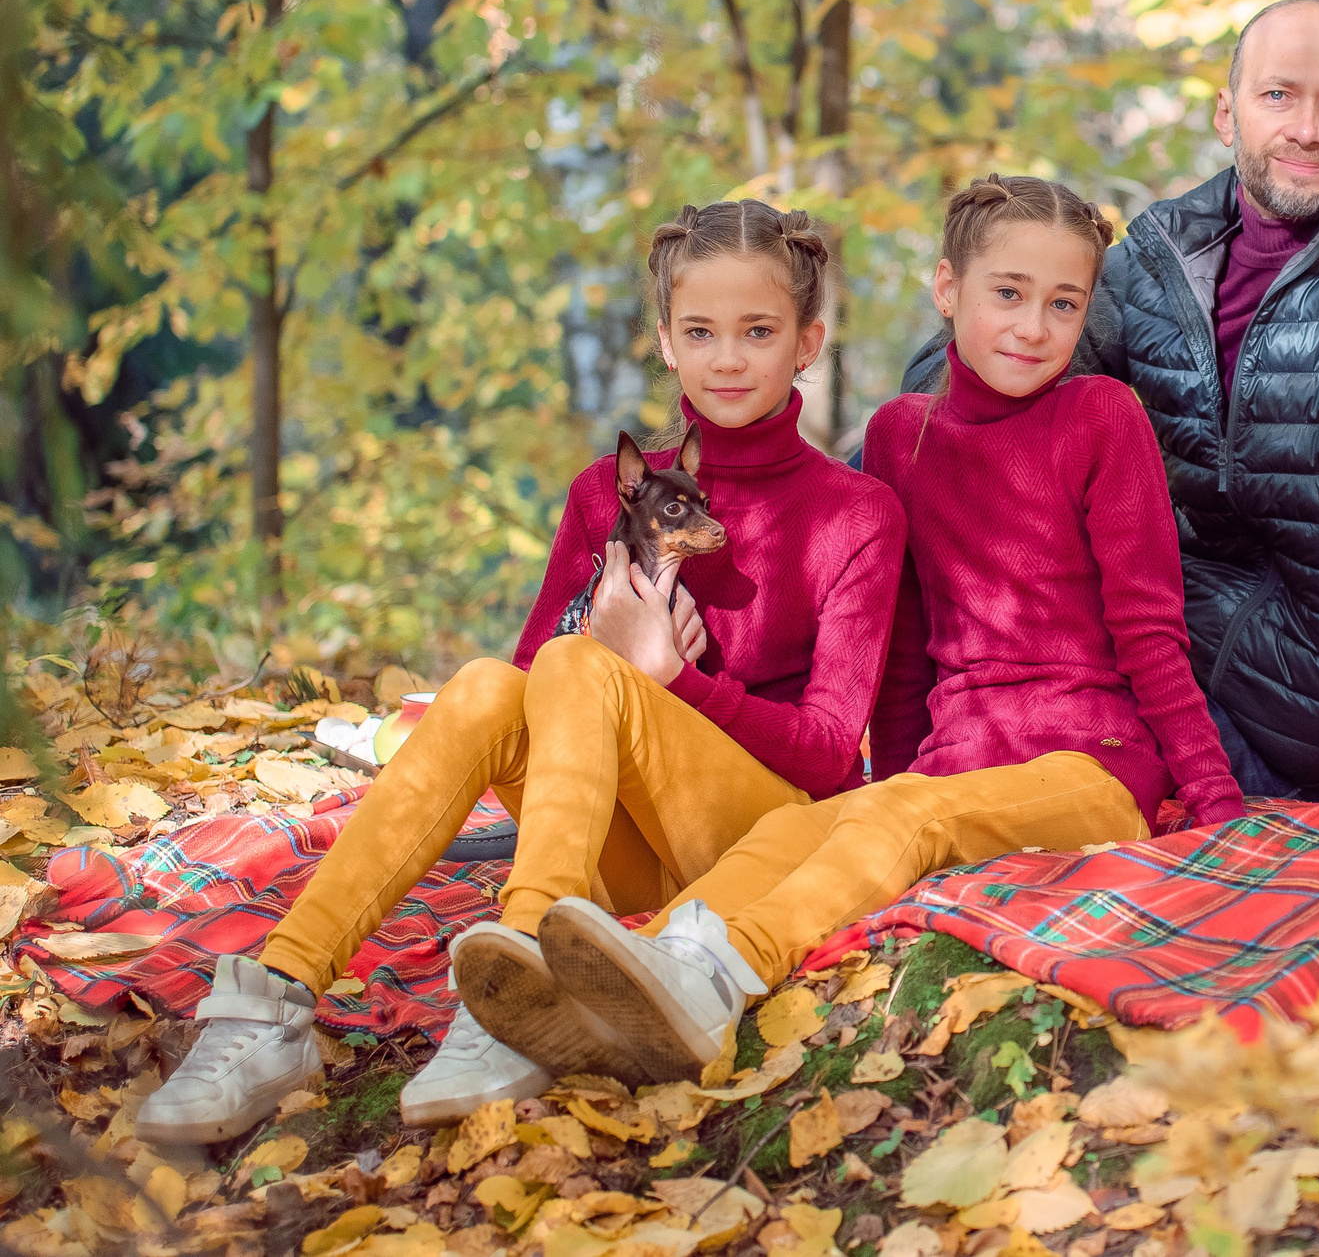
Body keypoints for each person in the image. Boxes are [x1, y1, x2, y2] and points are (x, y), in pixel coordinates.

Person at [136, 203, 907, 1143]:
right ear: (665, 341)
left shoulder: (856, 511)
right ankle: (276, 998)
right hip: (619, 851)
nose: (728, 357)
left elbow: (832, 758)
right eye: (700, 331)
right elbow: (528, 694)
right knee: (483, 686)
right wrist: (610, 659)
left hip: (751, 837)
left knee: (579, 665)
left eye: (759, 330)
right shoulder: (603, 492)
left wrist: (671, 678)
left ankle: (511, 989)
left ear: (807, 341)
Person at [457, 177, 1247, 1084]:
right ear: (947, 290)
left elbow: (1151, 633)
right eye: (1008, 293)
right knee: (811, 826)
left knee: (904, 808)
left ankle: (720, 971)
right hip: (954, 769)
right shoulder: (902, 434)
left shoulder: (1101, 415)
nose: (1032, 326)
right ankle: (639, 970)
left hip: (1092, 767)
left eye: (1062, 303)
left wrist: (1216, 813)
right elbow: (909, 652)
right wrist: (899, 770)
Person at [898, 0, 1319, 801]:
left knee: (1019, 776)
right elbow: (970, 383)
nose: (1306, 128)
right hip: (1141, 651)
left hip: (1298, 699)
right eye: (1277, 96)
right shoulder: (1162, 252)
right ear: (1226, 114)